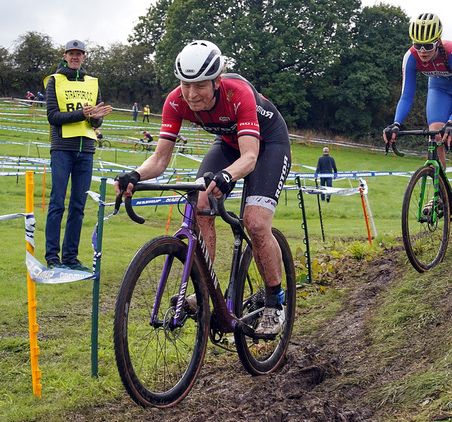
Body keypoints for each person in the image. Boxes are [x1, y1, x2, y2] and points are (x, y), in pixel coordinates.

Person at [114, 40, 291, 337]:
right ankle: (208, 289)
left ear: (217, 81)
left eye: (200, 86)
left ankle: (275, 301)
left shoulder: (239, 94)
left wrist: (227, 176)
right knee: (199, 204)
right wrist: (135, 174)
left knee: (256, 224)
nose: (192, 94)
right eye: (186, 84)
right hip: (227, 143)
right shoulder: (175, 101)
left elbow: (249, 157)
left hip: (267, 144)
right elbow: (160, 159)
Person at [383, 13, 452, 204]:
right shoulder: (410, 57)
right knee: (434, 136)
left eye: (428, 45)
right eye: (418, 45)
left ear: (438, 42)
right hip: (439, 88)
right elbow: (407, 96)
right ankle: (440, 193)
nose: (422, 50)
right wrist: (396, 124)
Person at [43, 39, 113, 270]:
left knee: (78, 206)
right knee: (57, 204)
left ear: (84, 57)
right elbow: (53, 116)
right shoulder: (54, 81)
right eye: (71, 53)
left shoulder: (93, 83)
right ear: (64, 56)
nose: (75, 57)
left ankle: (71, 258)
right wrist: (82, 115)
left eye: (79, 54)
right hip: (62, 149)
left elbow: (96, 120)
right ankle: (52, 257)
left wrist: (95, 117)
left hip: (87, 150)